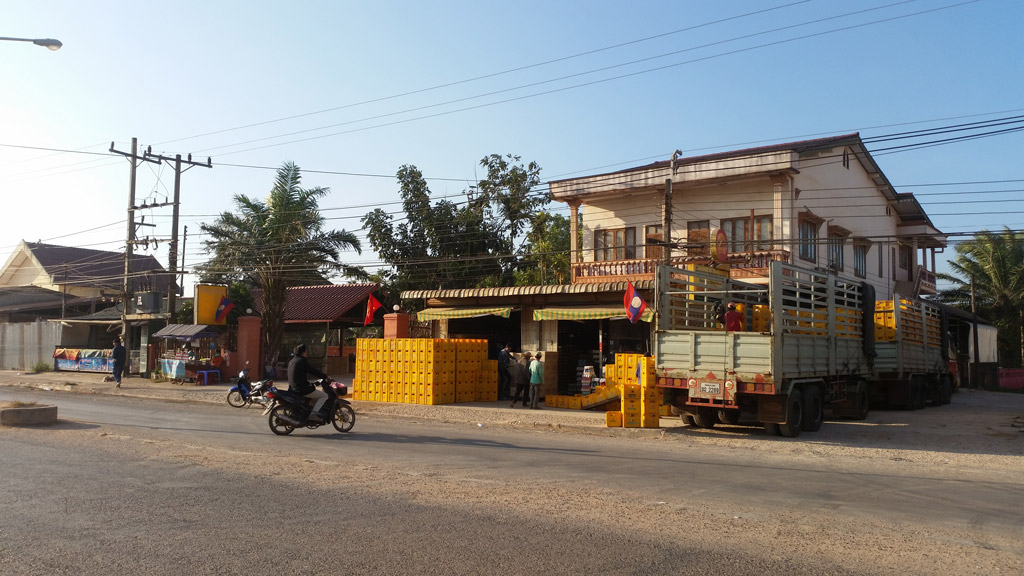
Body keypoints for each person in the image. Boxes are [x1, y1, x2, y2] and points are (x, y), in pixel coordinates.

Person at [287, 343, 329, 422]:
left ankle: (308, 411)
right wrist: (325, 376)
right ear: (303, 353)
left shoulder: (292, 361)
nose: (307, 354)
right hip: (301, 389)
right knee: (324, 396)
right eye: (306, 352)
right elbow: (313, 371)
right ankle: (313, 414)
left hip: (292, 388)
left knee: (313, 390)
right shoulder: (302, 361)